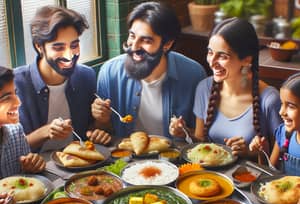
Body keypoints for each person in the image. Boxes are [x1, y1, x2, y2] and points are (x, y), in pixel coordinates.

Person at [169, 18, 281, 158]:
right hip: (211, 177)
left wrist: (249, 152)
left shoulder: (269, 99)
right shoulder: (204, 88)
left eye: (222, 56)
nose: (212, 62)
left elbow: (281, 158)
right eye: (210, 52)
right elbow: (200, 141)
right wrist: (184, 132)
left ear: (247, 60)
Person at [94, 1, 207, 137]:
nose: (134, 46)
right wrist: (102, 120)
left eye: (146, 41)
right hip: (124, 156)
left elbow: (201, 138)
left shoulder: (194, 74)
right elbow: (104, 131)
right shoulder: (109, 72)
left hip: (174, 157)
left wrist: (185, 133)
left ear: (167, 44)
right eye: (132, 36)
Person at [14, 5, 111, 152]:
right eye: (58, 48)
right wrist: (45, 132)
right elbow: (8, 149)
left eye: (74, 45)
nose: (69, 55)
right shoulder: (16, 83)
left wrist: (101, 123)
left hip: (78, 165)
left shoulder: (86, 76)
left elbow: (91, 131)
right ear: (39, 47)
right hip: (32, 172)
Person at [250, 73, 300, 175]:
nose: (281, 112)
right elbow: (269, 176)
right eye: (282, 104)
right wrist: (262, 151)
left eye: (290, 106)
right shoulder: (282, 133)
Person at [0, 66, 45, 177]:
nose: (18, 102)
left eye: (15, 93)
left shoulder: (16, 132)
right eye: (6, 98)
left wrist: (32, 166)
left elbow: (26, 178)